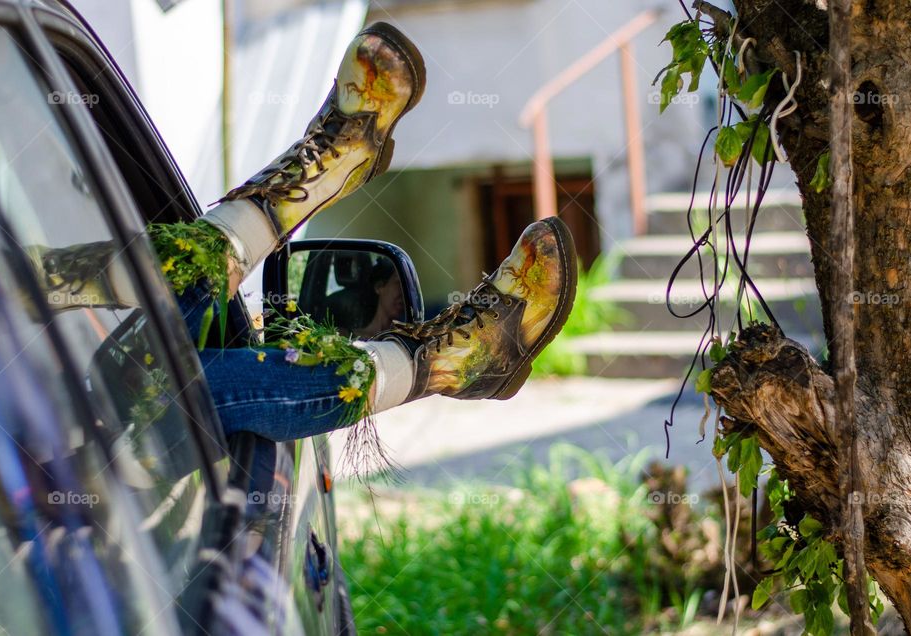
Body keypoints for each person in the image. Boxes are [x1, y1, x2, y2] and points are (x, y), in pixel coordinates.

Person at [33, 21, 578, 448]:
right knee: (160, 398)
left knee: (23, 279)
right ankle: (447, 362)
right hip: (67, 467)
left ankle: (311, 185)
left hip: (61, 402)